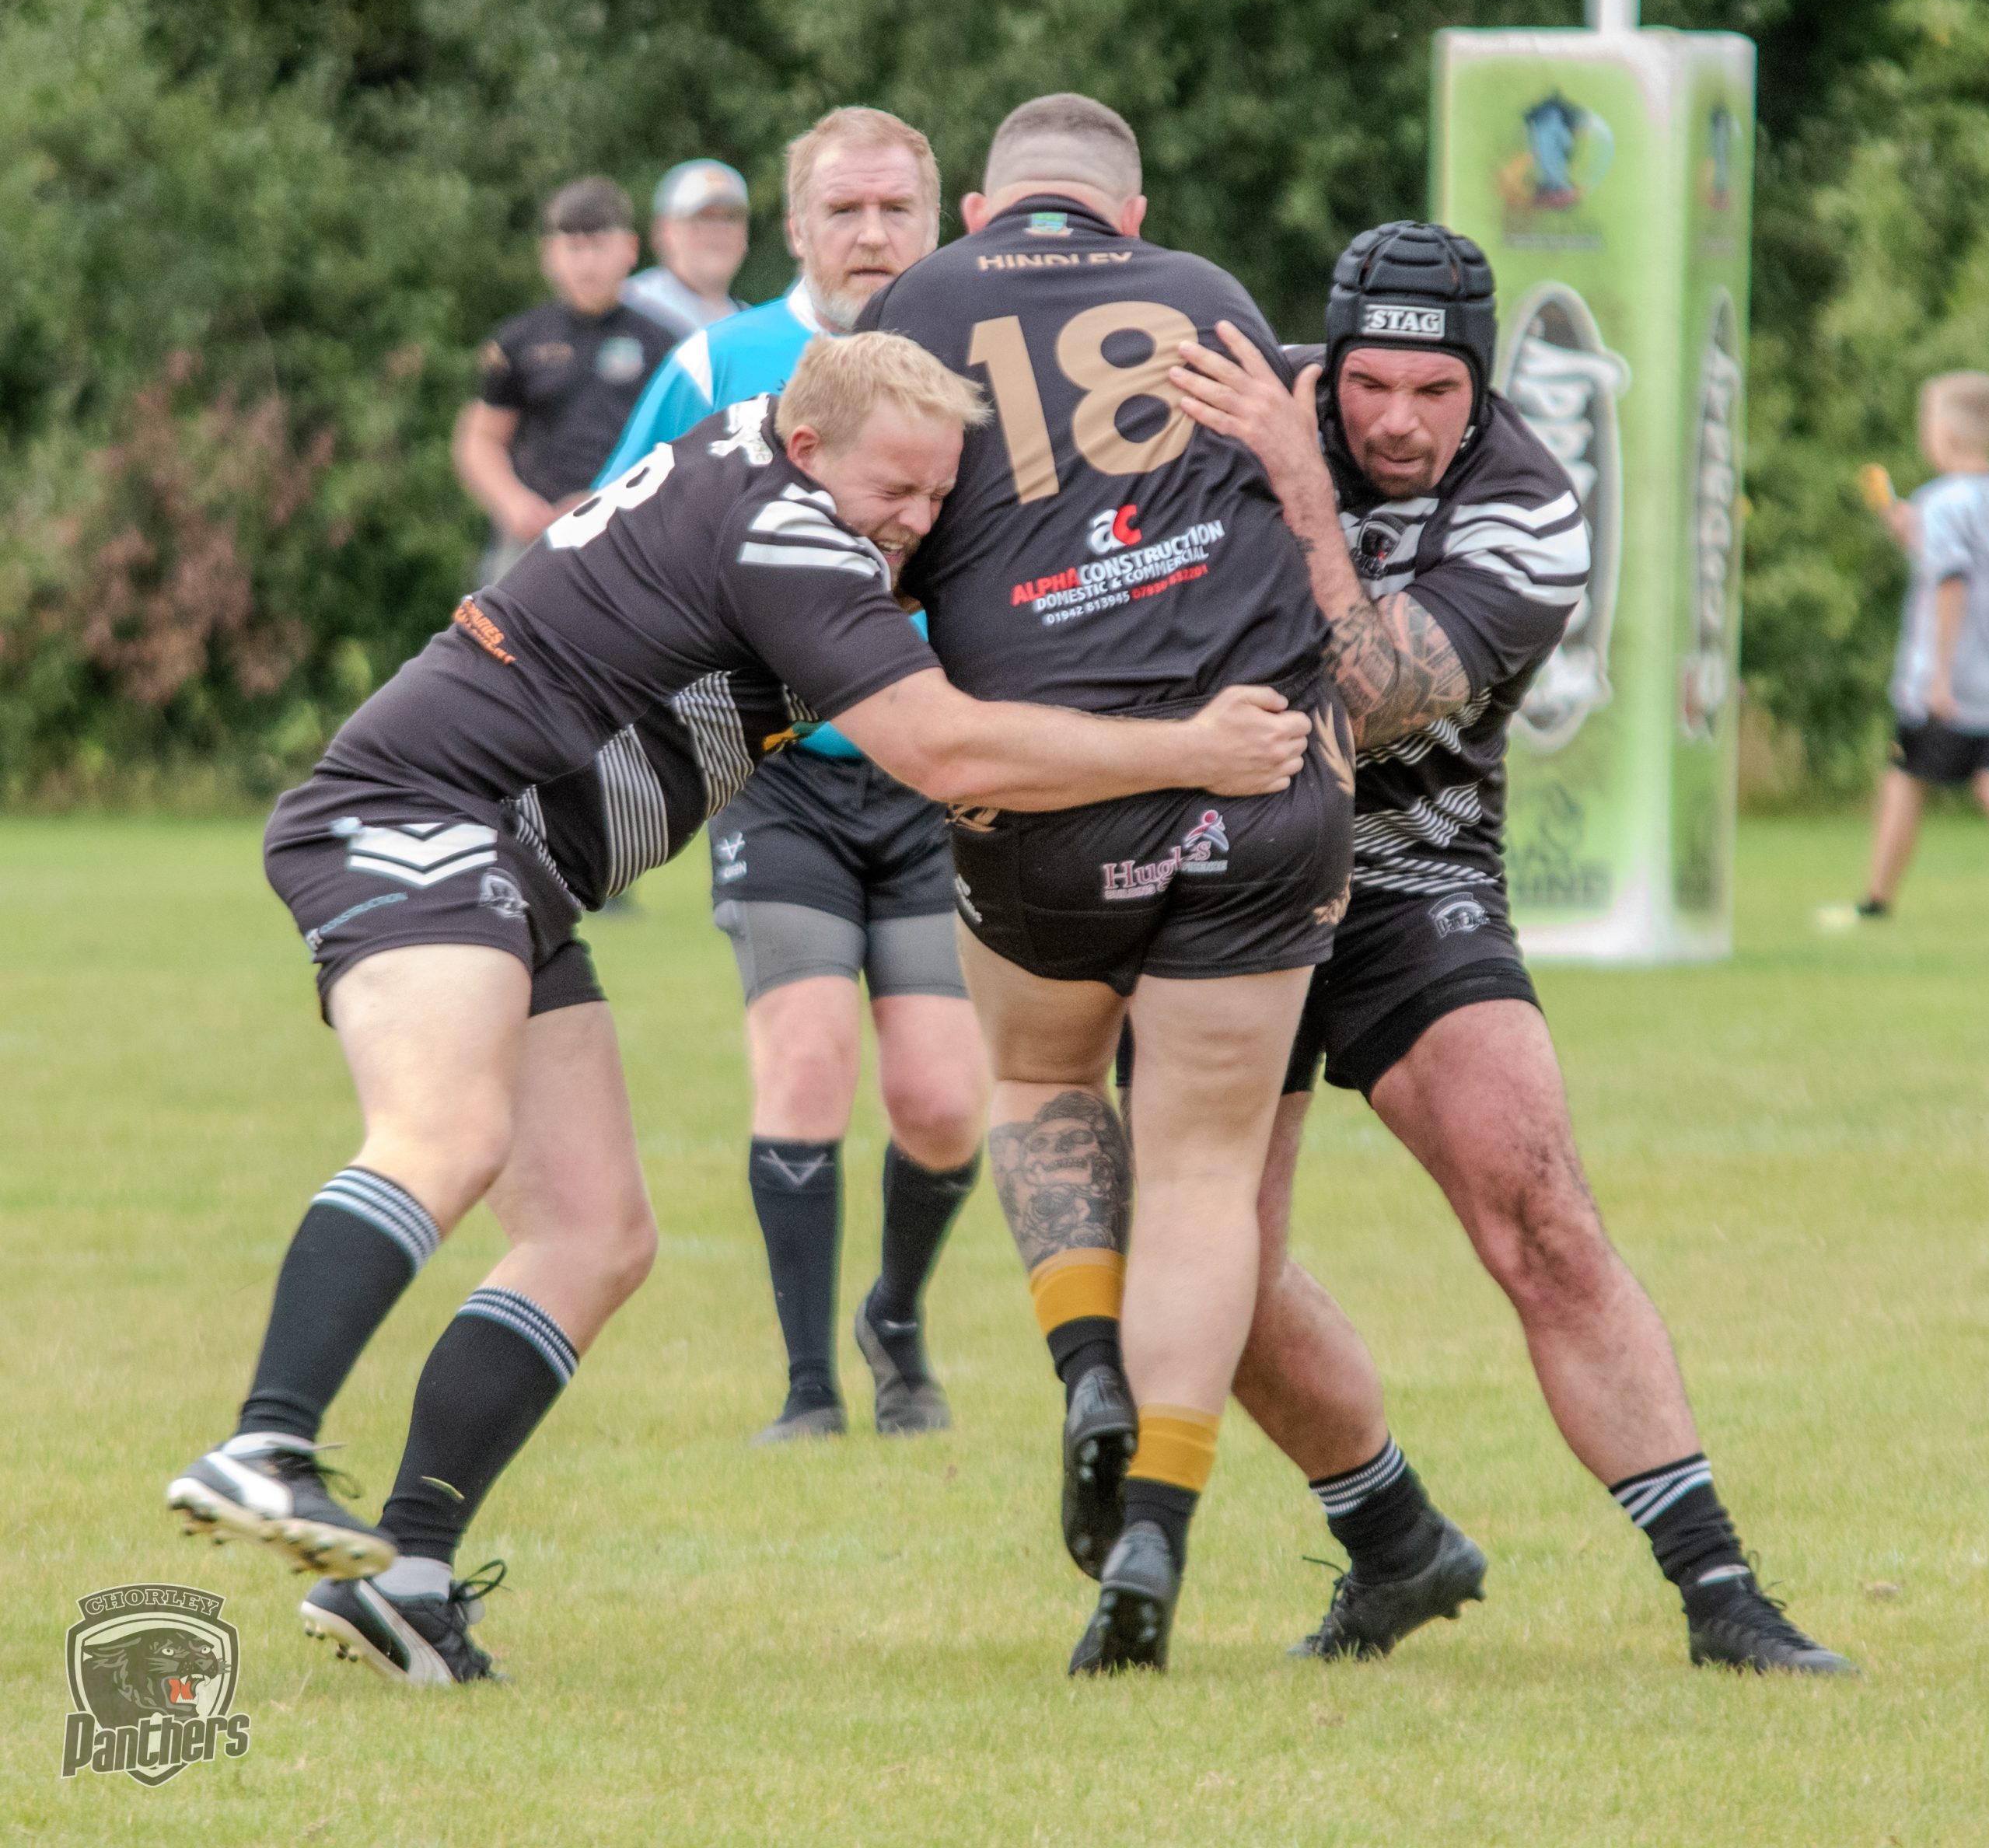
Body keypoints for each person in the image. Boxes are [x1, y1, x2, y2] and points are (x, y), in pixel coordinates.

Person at [163, 330, 1316, 1688]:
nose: (919, 522)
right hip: (421, 818)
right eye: (897, 491)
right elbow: (943, 750)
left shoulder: (772, 446)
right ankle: (266, 1442)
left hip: (518, 869)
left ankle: (406, 1579)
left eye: (940, 493)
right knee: (446, 1132)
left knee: (594, 1235)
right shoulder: (787, 532)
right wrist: (1191, 748)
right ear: (810, 446)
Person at [1153, 219, 1853, 1677]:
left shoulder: (1529, 503)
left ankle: (1723, 1597)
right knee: (1221, 1271)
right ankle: (1392, 1537)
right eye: (1367, 388)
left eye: (1436, 393)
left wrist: (1299, 489)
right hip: (1221, 888)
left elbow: (1375, 698)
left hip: (1410, 880)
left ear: (1480, 385)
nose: (1397, 423)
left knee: (1540, 1212)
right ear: (1332, 362)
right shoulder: (1242, 402)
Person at [858, 93, 1356, 1675]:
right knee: (1204, 1173)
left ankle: (1086, 1367)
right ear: (1130, 213)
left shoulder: (920, 303)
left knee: (1040, 1076)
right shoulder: (1207, 292)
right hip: (1260, 776)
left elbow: (875, 533)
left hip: (1051, 793)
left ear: (975, 207)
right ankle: (1156, 1524)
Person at [602, 109, 987, 1443]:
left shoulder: (984, 366)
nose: (872, 234)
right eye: (844, 211)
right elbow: (616, 533)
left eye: (895, 209)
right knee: (809, 1059)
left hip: (939, 776)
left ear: (937, 220)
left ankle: (897, 1316)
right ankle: (809, 1390)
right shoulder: (720, 362)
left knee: (942, 1099)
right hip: (780, 779)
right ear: (797, 227)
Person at [453, 177, 676, 584]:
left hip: (629, 537)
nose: (587, 263)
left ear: (630, 249)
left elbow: (682, 450)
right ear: (550, 254)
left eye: (599, 246)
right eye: (574, 248)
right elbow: (480, 439)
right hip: (535, 538)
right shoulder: (517, 341)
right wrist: (515, 504)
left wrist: (614, 501)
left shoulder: (665, 345)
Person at [1830, 372, 1989, 923]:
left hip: (1950, 677)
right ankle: (1876, 899)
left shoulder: (1941, 502)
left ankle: (1876, 901)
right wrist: (1916, 536)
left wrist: (1939, 674)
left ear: (1948, 436)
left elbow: (1952, 583)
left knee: (1905, 777)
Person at [621, 159, 751, 344]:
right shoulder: (630, 308)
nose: (718, 230)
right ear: (665, 230)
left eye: (731, 218)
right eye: (703, 217)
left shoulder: (752, 323)